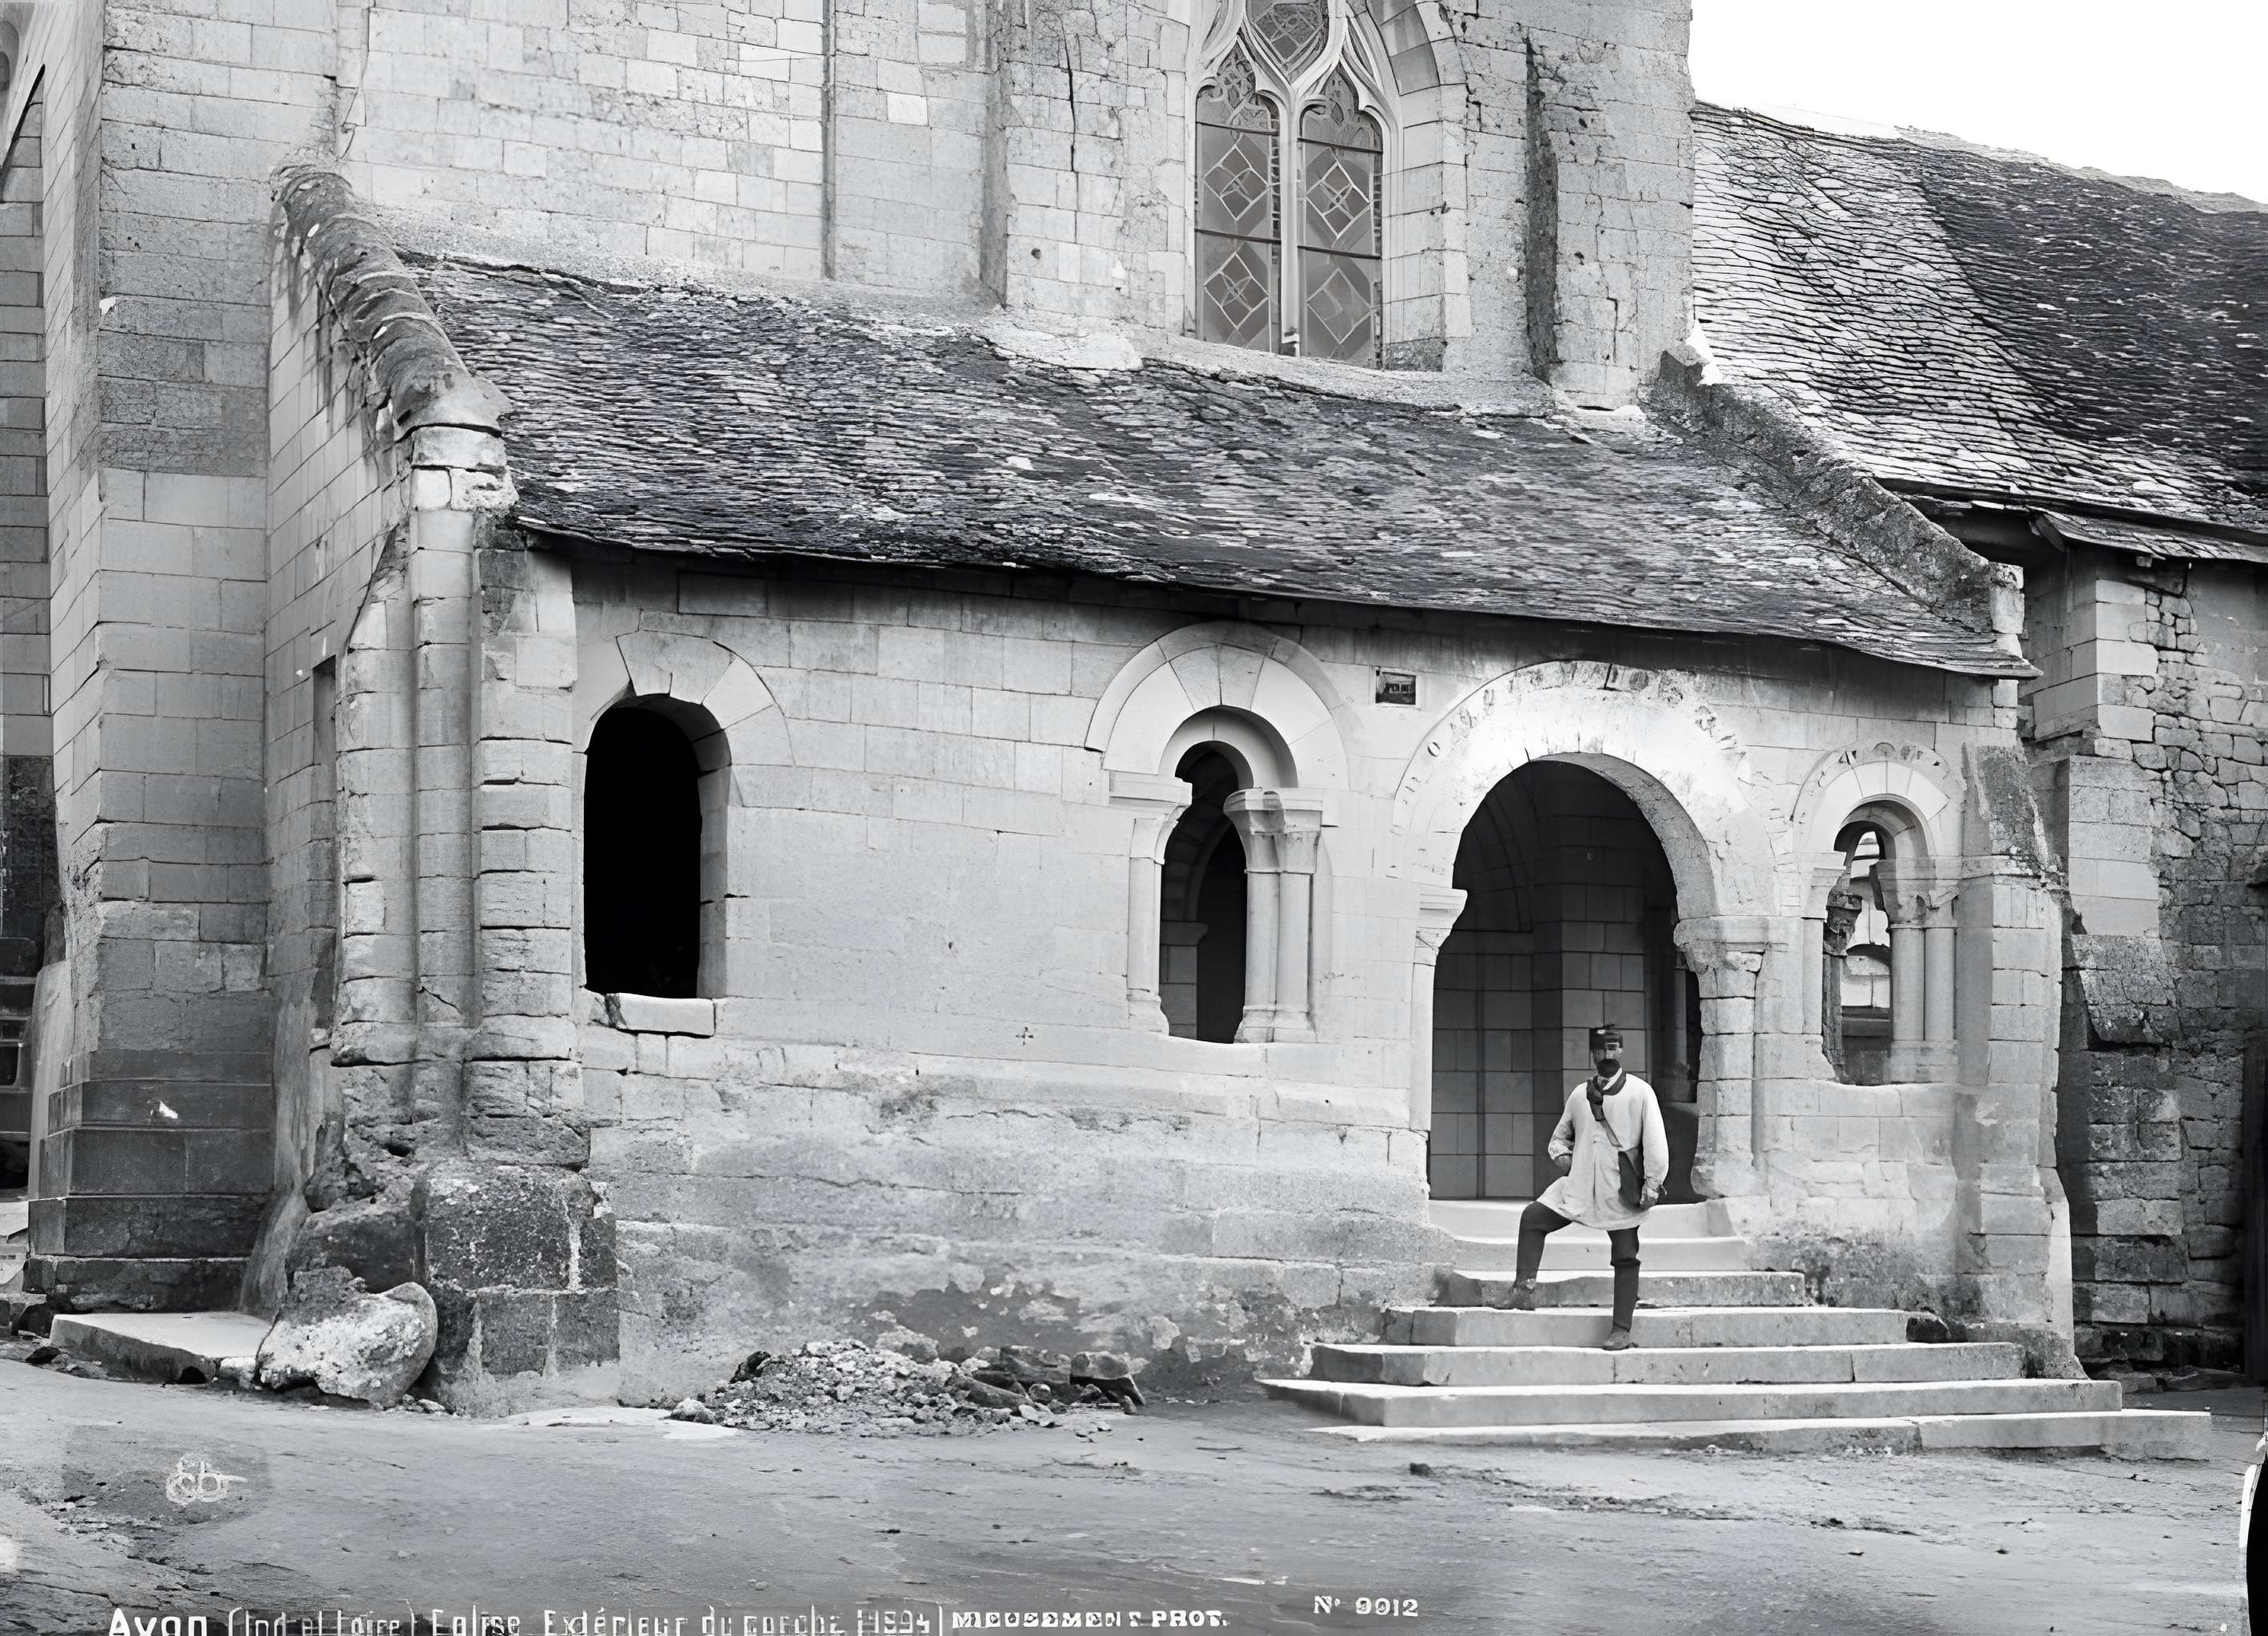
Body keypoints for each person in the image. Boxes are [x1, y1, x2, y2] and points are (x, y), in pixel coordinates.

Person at [1497, 1024, 1669, 1351]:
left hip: (1620, 1190)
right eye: (1601, 1049)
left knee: (1625, 1255)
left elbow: (1656, 1143)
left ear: (1621, 1051)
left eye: (1613, 1048)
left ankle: (1621, 1329)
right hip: (1579, 1187)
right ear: (1592, 1054)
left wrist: (1652, 1185)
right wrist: (1568, 1160)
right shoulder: (1580, 1094)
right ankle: (1523, 1290)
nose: (1607, 1054)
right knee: (1533, 1218)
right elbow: (1558, 1139)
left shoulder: (1641, 1092)